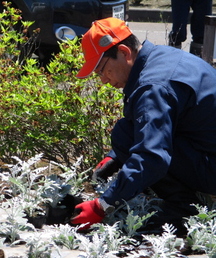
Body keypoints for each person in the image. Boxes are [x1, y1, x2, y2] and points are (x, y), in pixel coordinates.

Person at [70, 17, 216, 236]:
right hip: (206, 150)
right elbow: (153, 126)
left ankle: (183, 210)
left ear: (124, 52)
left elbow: (152, 156)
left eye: (102, 70)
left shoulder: (153, 87)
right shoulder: (160, 58)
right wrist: (115, 157)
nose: (103, 80)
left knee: (126, 136)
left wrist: (103, 205)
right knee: (126, 133)